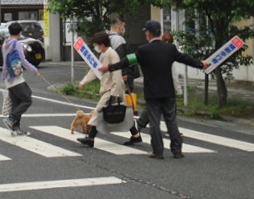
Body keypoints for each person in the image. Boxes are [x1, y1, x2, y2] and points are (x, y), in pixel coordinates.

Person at [99, 20, 210, 159]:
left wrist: (109, 67)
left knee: (155, 122)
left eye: (146, 31)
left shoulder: (143, 50)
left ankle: (157, 151)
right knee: (172, 121)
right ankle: (177, 150)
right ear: (160, 33)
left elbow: (127, 60)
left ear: (149, 33)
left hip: (152, 92)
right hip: (168, 91)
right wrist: (200, 64)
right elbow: (185, 59)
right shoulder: (170, 49)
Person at [77, 32, 134, 148]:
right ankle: (136, 134)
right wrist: (84, 82)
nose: (96, 47)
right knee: (122, 112)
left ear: (102, 44)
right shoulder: (103, 55)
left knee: (99, 111)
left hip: (112, 88)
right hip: (109, 88)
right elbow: (95, 70)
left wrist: (115, 92)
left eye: (96, 45)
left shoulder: (112, 54)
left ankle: (90, 138)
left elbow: (117, 74)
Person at [136, 31, 183, 132]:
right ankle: (172, 130)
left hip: (153, 86)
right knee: (170, 110)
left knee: (152, 108)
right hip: (166, 87)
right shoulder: (169, 54)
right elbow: (173, 75)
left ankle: (141, 122)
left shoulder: (152, 51)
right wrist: (179, 90)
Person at [107, 17, 142, 145]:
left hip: (113, 76)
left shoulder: (107, 38)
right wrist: (127, 73)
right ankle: (135, 131)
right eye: (123, 26)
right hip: (121, 77)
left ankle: (135, 131)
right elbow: (124, 58)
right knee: (120, 105)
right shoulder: (118, 39)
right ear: (119, 26)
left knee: (116, 105)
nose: (124, 28)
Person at [2, 23, 40, 135]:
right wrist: (34, 70)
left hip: (7, 76)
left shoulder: (5, 43)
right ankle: (11, 118)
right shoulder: (17, 43)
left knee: (17, 102)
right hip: (15, 77)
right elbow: (22, 60)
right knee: (27, 98)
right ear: (20, 33)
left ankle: (16, 128)